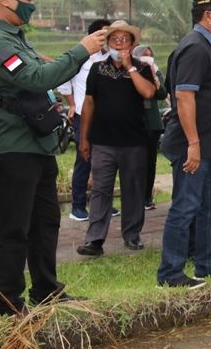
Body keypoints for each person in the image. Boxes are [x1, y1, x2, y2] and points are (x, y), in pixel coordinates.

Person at [0, 0, 107, 315]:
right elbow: (35, 78)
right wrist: (81, 50)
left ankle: (46, 290)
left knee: (44, 223)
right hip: (8, 148)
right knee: (10, 230)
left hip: (33, 146)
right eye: (29, 0)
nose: (32, 7)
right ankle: (6, 304)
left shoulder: (14, 36)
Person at [158, 0, 211, 288]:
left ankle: (209, 265)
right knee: (185, 206)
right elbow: (184, 97)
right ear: (209, 15)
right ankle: (170, 273)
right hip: (195, 145)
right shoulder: (194, 47)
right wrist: (193, 143)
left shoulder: (210, 46)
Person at [75, 21, 157, 256]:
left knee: (133, 188)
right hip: (103, 141)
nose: (119, 43)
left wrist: (129, 67)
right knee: (101, 189)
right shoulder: (97, 69)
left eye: (124, 39)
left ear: (132, 44)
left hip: (134, 141)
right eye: (114, 39)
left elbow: (149, 93)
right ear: (108, 43)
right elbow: (89, 103)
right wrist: (84, 138)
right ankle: (94, 239)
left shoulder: (142, 68)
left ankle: (132, 235)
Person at [59, 18, 111, 221]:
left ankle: (103, 205)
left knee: (106, 160)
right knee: (84, 159)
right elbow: (64, 83)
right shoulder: (80, 57)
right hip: (84, 115)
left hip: (107, 115)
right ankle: (78, 206)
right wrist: (72, 104)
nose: (108, 39)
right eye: (104, 35)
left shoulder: (110, 58)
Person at [132, 45, 167, 211]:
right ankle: (135, 196)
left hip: (152, 124)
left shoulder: (156, 72)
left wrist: (153, 74)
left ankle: (147, 196)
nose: (147, 57)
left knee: (150, 162)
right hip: (135, 122)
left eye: (150, 55)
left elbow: (161, 94)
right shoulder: (131, 72)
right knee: (135, 161)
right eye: (144, 55)